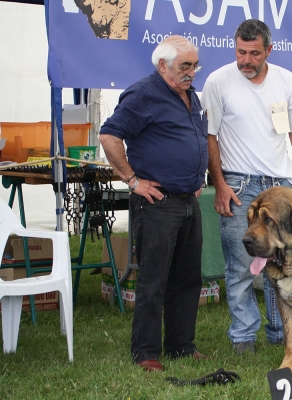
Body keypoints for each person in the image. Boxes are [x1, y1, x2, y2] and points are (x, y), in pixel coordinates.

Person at [200, 19, 292, 354]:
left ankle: (284, 335)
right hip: (239, 185)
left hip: (282, 187)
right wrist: (220, 184)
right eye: (241, 52)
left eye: (254, 53)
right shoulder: (218, 81)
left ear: (268, 50)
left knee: (284, 265)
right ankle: (243, 337)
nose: (246, 59)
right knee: (241, 266)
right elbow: (209, 137)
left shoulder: (286, 80)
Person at [99, 36, 209, 372]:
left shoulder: (190, 95)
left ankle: (181, 345)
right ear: (163, 65)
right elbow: (109, 134)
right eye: (184, 66)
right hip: (158, 203)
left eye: (195, 65)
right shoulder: (143, 93)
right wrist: (132, 180)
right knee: (154, 279)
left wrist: (195, 177)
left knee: (187, 278)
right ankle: (146, 352)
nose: (192, 73)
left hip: (188, 200)